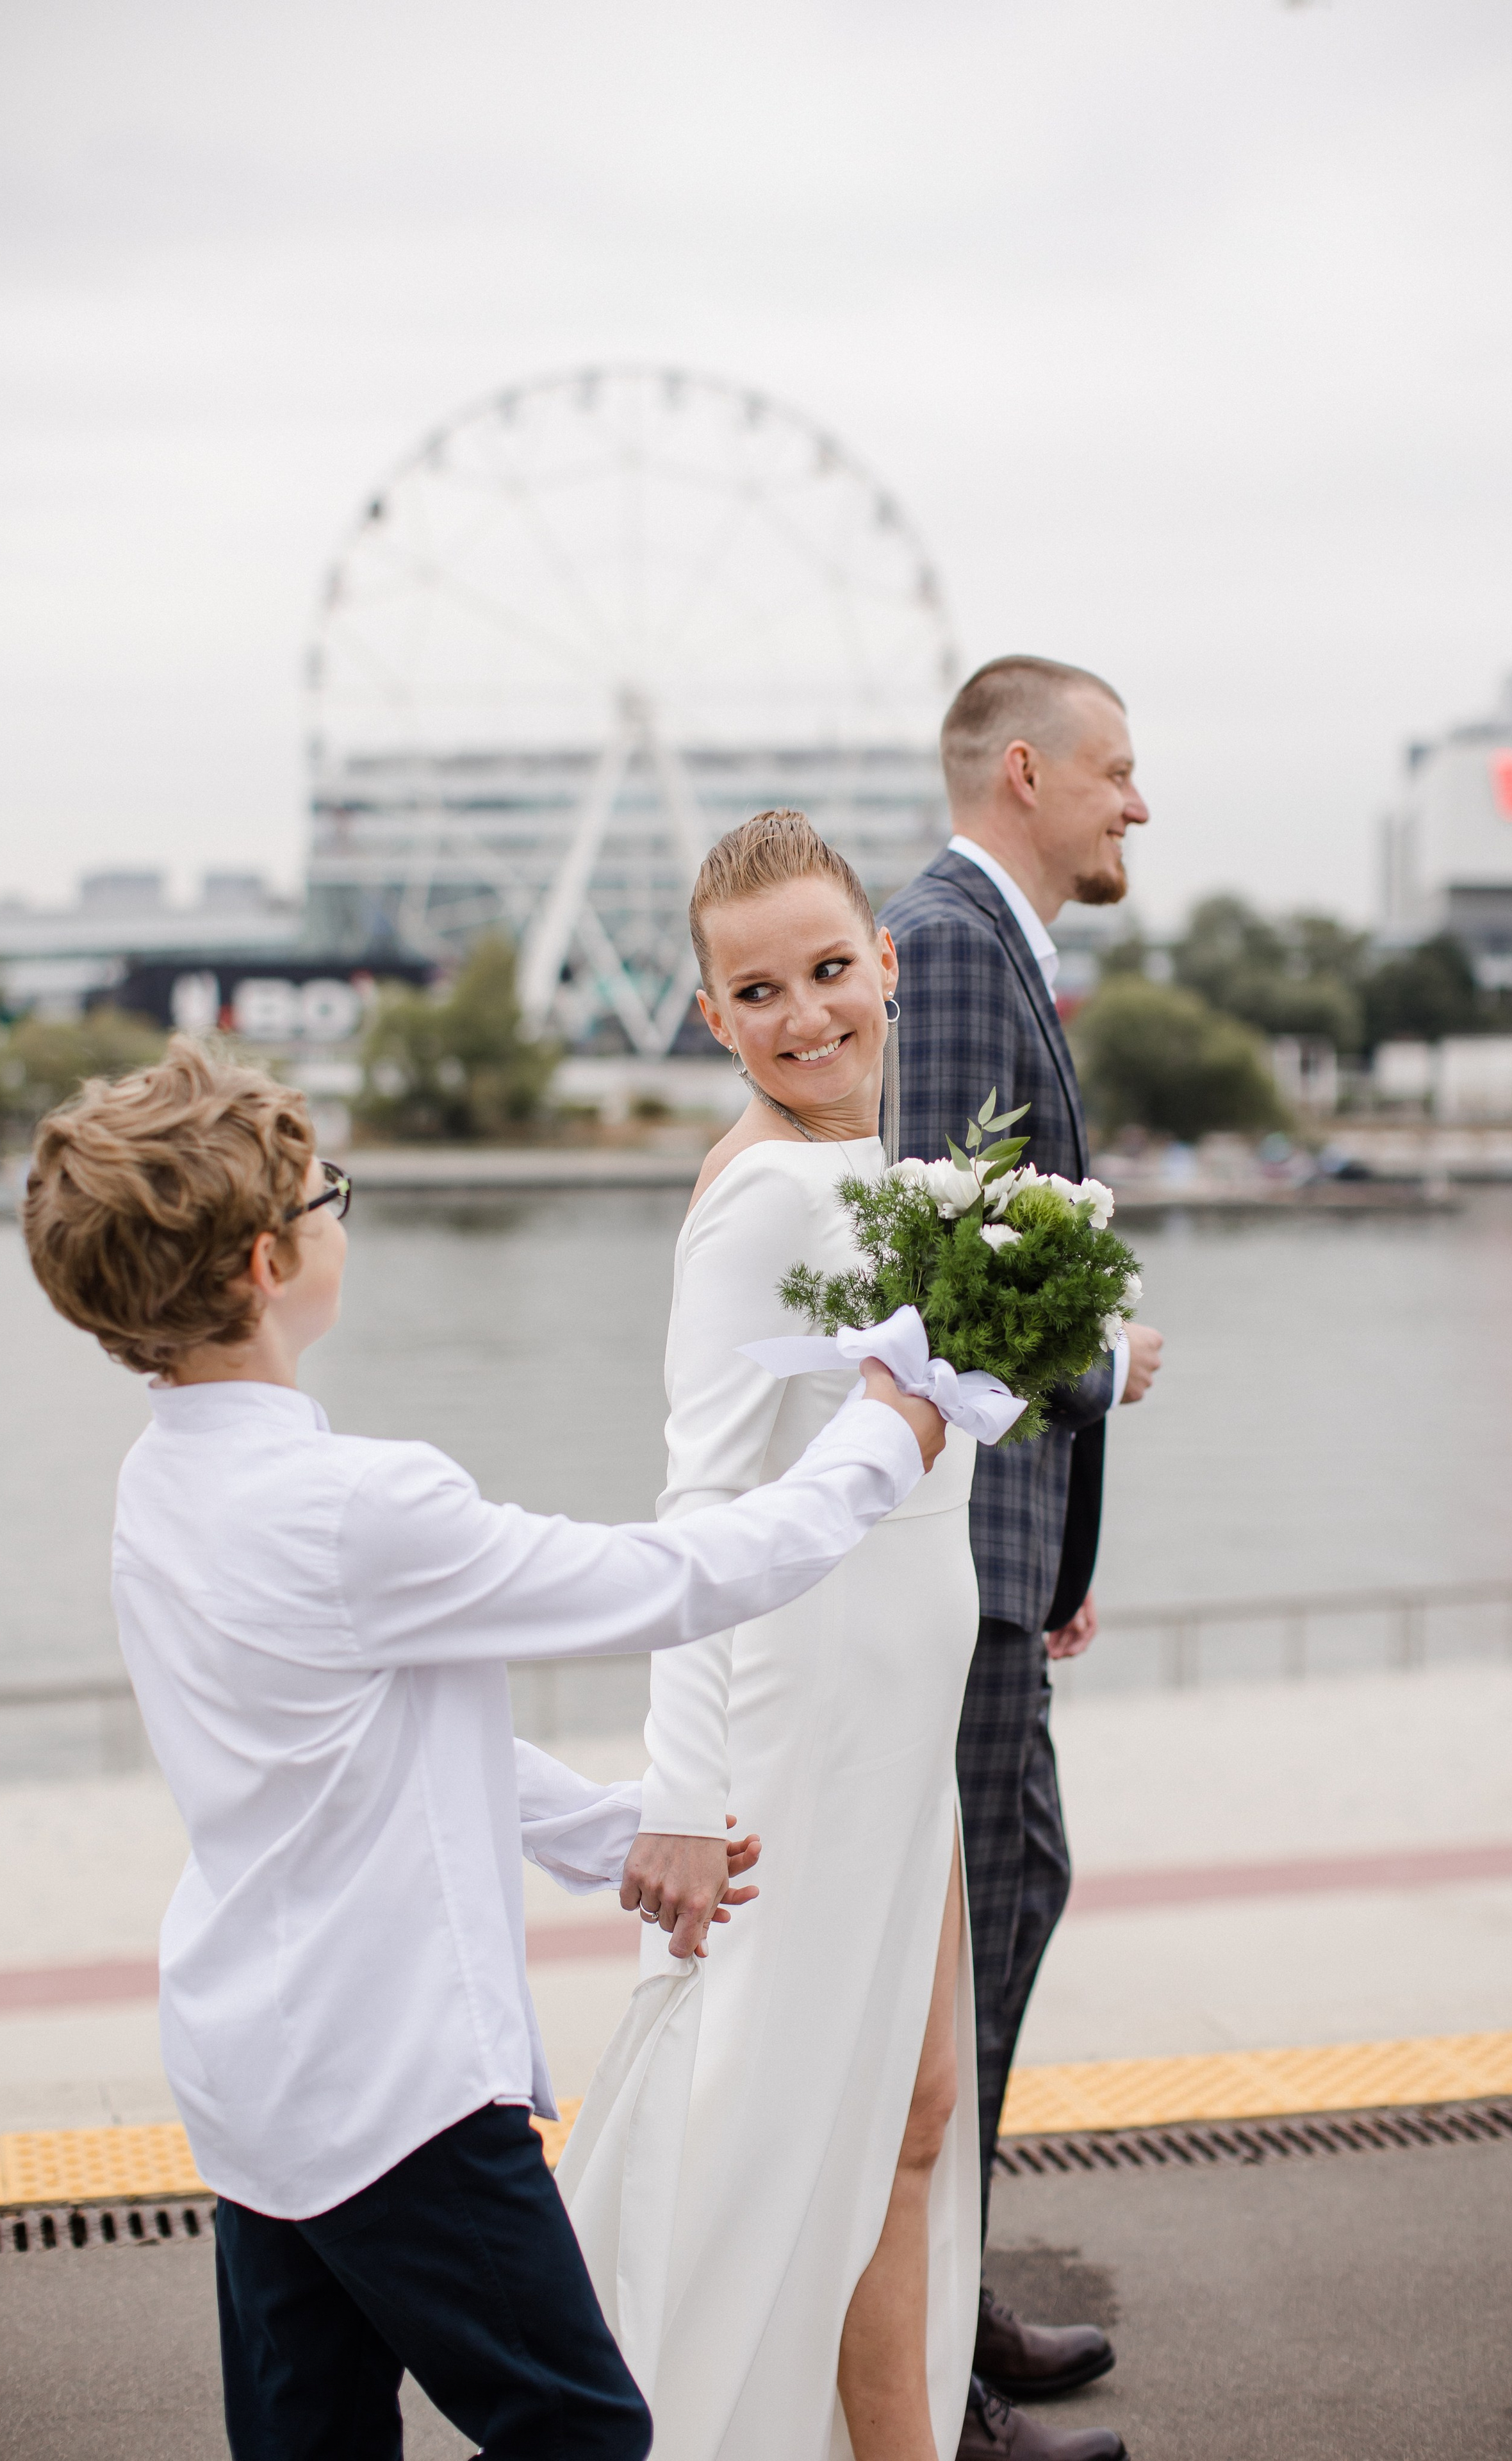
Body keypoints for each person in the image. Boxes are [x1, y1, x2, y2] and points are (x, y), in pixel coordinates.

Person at [20, 1036, 947, 2461]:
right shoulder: (358, 1508)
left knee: (314, 2439)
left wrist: (606, 1829)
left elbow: (352, 1746)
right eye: (326, 1193)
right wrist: (888, 1430)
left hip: (247, 2070)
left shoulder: (161, 1489)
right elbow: (676, 1576)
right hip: (392, 2088)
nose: (340, 1214)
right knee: (577, 2429)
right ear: (269, 1263)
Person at [559, 811, 987, 2461]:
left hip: (902, 1717)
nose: (805, 1015)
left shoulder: (875, 1168)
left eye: (828, 970)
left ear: (884, 963)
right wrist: (679, 1795)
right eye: (759, 993)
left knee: (910, 2117)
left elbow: (908, 1418)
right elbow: (697, 1505)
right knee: (782, 2128)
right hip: (807, 1727)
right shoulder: (758, 1202)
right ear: (707, 1013)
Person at [880, 657, 1163, 2461]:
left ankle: (947, 2304)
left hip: (1002, 1551)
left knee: (1004, 1901)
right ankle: (928, 2369)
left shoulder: (980, 943)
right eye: (1120, 772)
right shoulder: (963, 944)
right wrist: (1096, 1363)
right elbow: (930, 1257)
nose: (1140, 806)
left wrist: (1057, 1554)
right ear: (1027, 770)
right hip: (957, 1550)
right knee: (977, 1925)